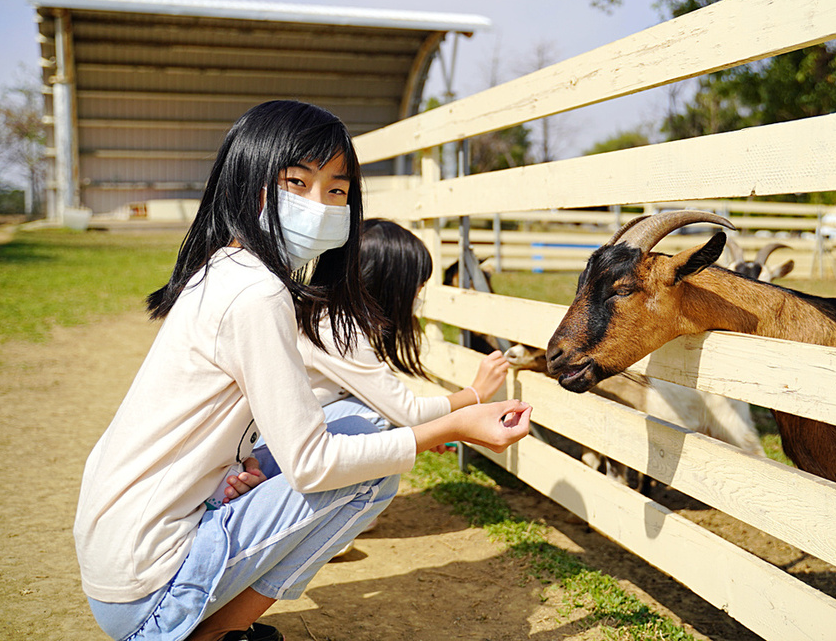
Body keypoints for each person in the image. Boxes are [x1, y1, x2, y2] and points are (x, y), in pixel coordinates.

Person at [74, 100, 531, 641]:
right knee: (371, 471)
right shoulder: (257, 292)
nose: (321, 205)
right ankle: (205, 635)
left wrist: (227, 472)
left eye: (337, 190)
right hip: (147, 592)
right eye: (296, 182)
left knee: (358, 431)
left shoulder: (223, 269)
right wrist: (455, 424)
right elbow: (313, 467)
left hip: (120, 559)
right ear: (248, 180)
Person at [239, 219, 510, 493]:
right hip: (272, 452)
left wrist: (433, 424)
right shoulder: (336, 331)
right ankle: (338, 501)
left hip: (272, 443)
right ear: (389, 284)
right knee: (377, 419)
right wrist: (475, 394)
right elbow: (407, 413)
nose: (418, 294)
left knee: (380, 410)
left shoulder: (324, 316)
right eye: (416, 284)